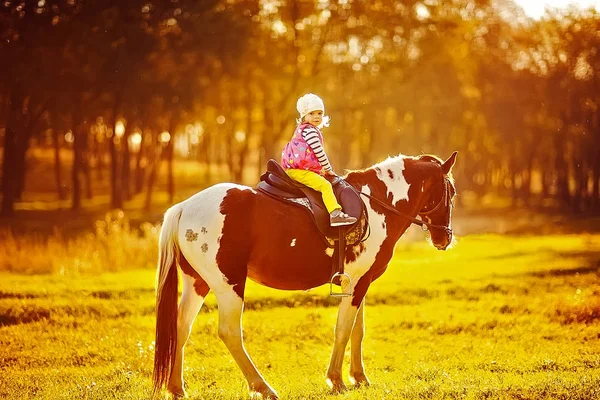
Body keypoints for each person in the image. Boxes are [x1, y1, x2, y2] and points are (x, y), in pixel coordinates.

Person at [281, 93, 357, 227]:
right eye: (312, 113)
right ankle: (335, 214)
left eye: (320, 113)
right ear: (304, 116)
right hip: (299, 171)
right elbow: (319, 152)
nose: (316, 117)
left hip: (298, 169)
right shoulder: (310, 131)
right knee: (325, 185)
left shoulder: (303, 130)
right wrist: (328, 169)